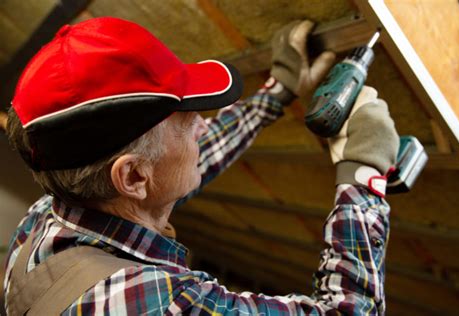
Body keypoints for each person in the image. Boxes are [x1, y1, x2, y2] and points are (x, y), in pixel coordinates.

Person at [3, 17, 398, 315]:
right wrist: (364, 174)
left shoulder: (48, 216)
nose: (203, 123)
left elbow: (179, 164)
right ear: (133, 176)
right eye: (186, 119)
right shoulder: (154, 302)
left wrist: (277, 93)